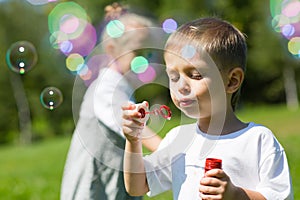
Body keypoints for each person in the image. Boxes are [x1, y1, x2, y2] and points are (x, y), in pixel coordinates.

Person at [122, 17, 294, 199]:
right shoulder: (178, 140)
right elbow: (137, 186)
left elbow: (279, 196)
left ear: (232, 81)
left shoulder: (258, 140)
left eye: (195, 75)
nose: (181, 86)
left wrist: (235, 195)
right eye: (173, 77)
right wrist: (133, 140)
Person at [60, 3, 162, 200]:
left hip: (115, 176)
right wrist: (167, 149)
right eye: (138, 54)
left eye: (149, 54)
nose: (144, 62)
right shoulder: (105, 87)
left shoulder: (123, 83)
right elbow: (127, 123)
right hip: (96, 182)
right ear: (112, 50)